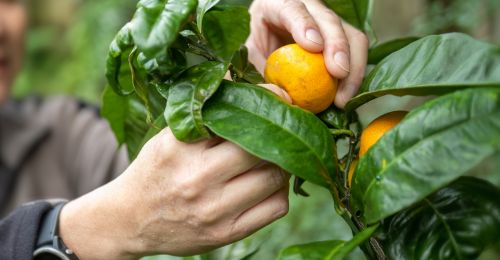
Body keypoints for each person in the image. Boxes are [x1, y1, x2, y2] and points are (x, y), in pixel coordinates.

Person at [0, 0, 368, 259]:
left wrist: (248, 72)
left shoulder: (60, 133)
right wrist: (106, 226)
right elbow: (129, 201)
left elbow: (148, 169)